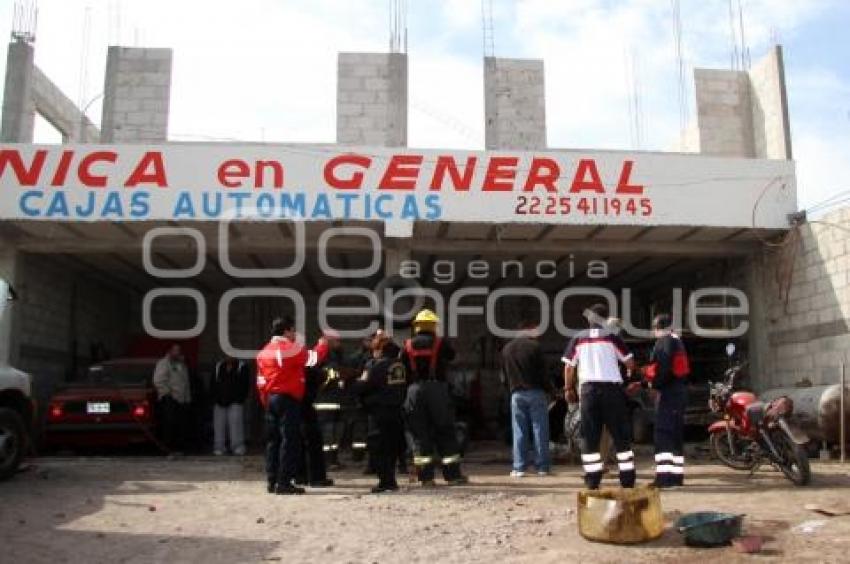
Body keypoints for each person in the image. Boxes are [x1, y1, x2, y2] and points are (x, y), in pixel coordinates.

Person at [562, 304, 637, 490]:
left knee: (590, 437)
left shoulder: (578, 339)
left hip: (588, 392)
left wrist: (568, 388)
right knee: (620, 435)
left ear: (589, 319)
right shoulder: (613, 337)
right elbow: (630, 362)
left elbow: (569, 367)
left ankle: (592, 481)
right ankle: (627, 480)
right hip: (612, 391)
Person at [256, 317, 329, 495]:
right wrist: (323, 344)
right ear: (287, 331)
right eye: (293, 331)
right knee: (290, 442)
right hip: (288, 400)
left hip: (271, 398)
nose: (294, 334)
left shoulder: (263, 352)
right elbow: (313, 359)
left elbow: (260, 381)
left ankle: (272, 480)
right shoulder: (290, 349)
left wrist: (266, 401)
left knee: (273, 442)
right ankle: (284, 482)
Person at [401, 309, 468, 486]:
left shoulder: (407, 345)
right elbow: (454, 357)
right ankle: (453, 476)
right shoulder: (440, 343)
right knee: (445, 431)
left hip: (414, 391)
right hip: (437, 389)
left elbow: (402, 368)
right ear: (433, 325)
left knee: (419, 434)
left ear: (417, 326)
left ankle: (426, 478)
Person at [631, 313, 690, 488]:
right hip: (678, 392)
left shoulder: (665, 342)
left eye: (654, 328)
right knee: (675, 436)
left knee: (663, 434)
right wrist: (644, 382)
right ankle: (676, 477)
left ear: (658, 327)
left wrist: (652, 385)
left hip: (669, 394)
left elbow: (662, 369)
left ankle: (664, 478)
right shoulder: (677, 340)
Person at [351, 332, 408, 493]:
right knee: (392, 447)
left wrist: (353, 382)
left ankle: (386, 482)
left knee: (379, 448)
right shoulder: (399, 365)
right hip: (396, 411)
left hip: (379, 413)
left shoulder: (377, 366)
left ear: (381, 351)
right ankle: (391, 480)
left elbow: (362, 387)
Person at [501, 318, 552, 477]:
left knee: (519, 431)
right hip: (536, 393)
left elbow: (503, 376)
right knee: (539, 430)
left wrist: (510, 391)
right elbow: (543, 373)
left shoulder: (506, 349)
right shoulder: (535, 347)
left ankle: (519, 468)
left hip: (516, 394)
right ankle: (542, 467)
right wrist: (551, 390)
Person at [296, 330, 341, 488]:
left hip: (295, 402)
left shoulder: (287, 356)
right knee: (313, 441)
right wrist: (322, 346)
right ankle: (316, 478)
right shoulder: (301, 358)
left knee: (300, 441)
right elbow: (313, 364)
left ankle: (301, 476)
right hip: (305, 403)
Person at [153, 344, 192, 454]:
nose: (178, 352)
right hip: (170, 399)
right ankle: (168, 449)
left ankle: (179, 448)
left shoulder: (181, 364)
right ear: (170, 351)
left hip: (182, 400)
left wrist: (187, 398)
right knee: (169, 425)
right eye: (176, 350)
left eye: (179, 350)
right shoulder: (164, 363)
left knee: (180, 425)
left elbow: (185, 382)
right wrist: (168, 393)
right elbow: (158, 381)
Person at [211, 356, 251, 456]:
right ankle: (219, 446)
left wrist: (240, 399)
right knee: (218, 425)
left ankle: (237, 446)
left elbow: (245, 384)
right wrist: (215, 398)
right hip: (220, 401)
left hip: (235, 401)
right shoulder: (218, 366)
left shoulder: (242, 366)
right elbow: (213, 383)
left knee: (236, 424)